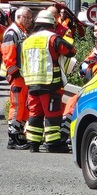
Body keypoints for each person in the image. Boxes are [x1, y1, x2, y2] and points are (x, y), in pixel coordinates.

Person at [21, 10, 76, 153]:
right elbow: (70, 51)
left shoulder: (27, 41)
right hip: (50, 84)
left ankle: (33, 143)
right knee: (52, 114)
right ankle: (53, 144)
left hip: (32, 84)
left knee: (35, 114)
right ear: (52, 24)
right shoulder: (52, 38)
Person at [1, 6, 33, 150]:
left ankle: (19, 135)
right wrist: (14, 74)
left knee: (23, 106)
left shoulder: (21, 32)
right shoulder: (13, 32)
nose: (29, 21)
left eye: (30, 18)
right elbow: (8, 56)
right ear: (18, 17)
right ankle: (13, 138)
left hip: (22, 76)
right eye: (26, 17)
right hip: (17, 76)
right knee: (17, 106)